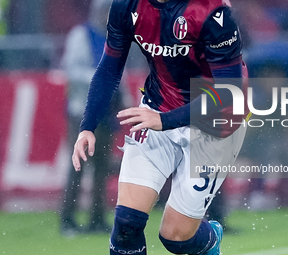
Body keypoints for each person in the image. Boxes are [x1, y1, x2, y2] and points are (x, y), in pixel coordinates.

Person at [72, 0, 249, 254]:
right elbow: (110, 68)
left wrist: (164, 121)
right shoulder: (125, 5)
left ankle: (210, 240)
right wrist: (88, 126)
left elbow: (229, 92)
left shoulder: (213, 10)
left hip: (215, 122)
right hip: (158, 108)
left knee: (176, 238)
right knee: (125, 226)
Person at [60, 0, 121, 235]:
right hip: (82, 112)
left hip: (105, 113)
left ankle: (97, 218)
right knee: (77, 166)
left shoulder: (114, 38)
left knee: (102, 168)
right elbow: (70, 69)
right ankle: (68, 219)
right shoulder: (81, 35)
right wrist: (99, 79)